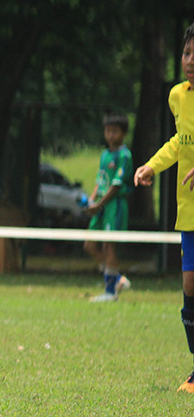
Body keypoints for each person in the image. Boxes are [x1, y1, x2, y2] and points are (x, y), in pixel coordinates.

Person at [136, 24, 194, 392]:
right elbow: (178, 141)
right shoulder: (178, 96)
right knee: (190, 285)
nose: (191, 61)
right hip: (189, 208)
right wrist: (151, 165)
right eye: (188, 53)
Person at [82, 113, 133, 302]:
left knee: (109, 245)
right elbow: (100, 180)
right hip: (101, 205)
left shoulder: (124, 155)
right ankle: (118, 278)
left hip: (114, 205)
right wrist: (92, 200)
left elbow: (116, 185)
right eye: (108, 131)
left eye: (115, 131)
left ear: (123, 133)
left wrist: (100, 204)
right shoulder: (105, 154)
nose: (111, 135)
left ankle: (110, 292)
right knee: (89, 244)